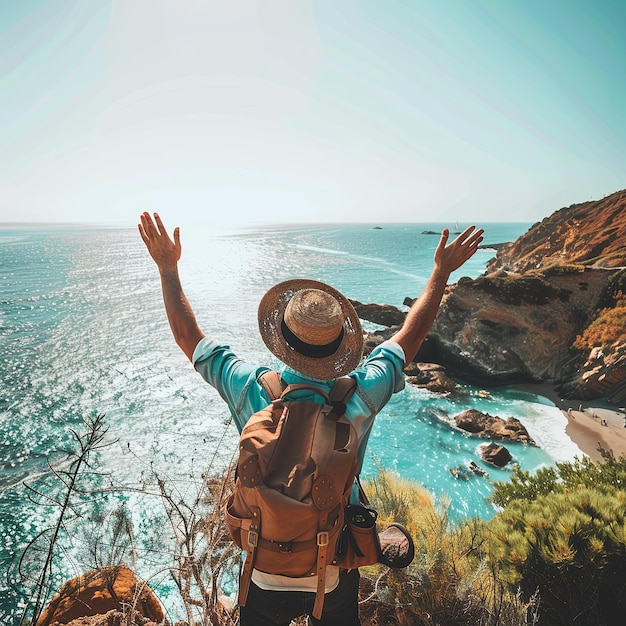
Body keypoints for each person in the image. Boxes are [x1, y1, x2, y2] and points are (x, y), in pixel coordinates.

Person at [138, 212, 483, 626]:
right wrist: (441, 272)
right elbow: (408, 338)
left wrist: (167, 267)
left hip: (263, 570)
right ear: (342, 345)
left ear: (282, 339)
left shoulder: (250, 387)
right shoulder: (361, 392)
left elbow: (187, 335)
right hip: (334, 566)